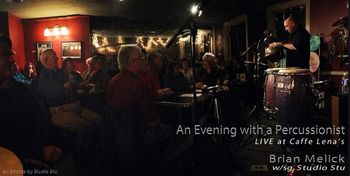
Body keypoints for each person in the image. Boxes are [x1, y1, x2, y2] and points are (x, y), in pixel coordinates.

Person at [0, 35, 62, 170]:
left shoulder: (20, 89)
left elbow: (39, 120)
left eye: (10, 54)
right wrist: (37, 152)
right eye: (5, 55)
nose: (11, 60)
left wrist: (47, 146)